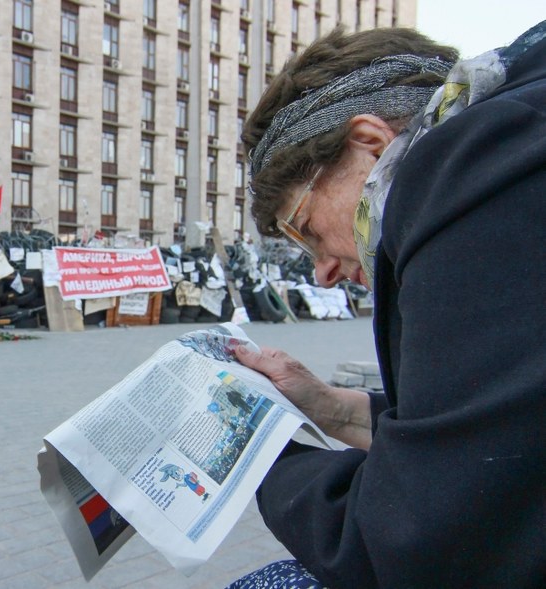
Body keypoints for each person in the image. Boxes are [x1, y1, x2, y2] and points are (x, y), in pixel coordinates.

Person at [225, 21, 546, 589]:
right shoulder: (518, 142)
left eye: (304, 231)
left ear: (369, 144)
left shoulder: (476, 181)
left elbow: (411, 549)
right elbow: (499, 430)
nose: (322, 269)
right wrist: (330, 407)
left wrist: (252, 449)